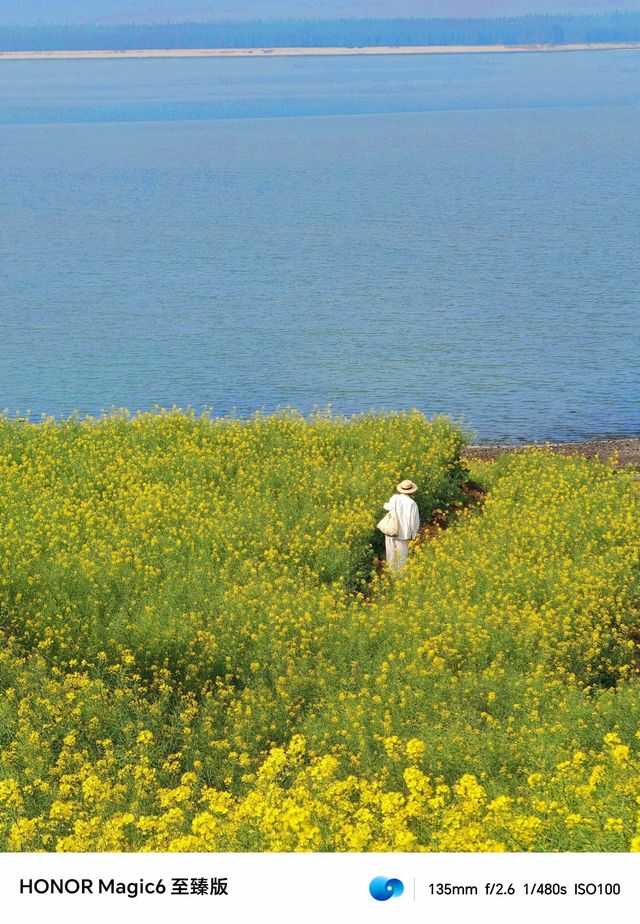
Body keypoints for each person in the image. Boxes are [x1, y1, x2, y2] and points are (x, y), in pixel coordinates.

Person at [383, 479, 420, 572]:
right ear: (411, 491)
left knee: (391, 555)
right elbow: (414, 522)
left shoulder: (395, 498)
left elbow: (386, 507)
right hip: (403, 534)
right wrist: (414, 534)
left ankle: (391, 575)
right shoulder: (412, 504)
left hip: (390, 531)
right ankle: (400, 578)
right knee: (401, 558)